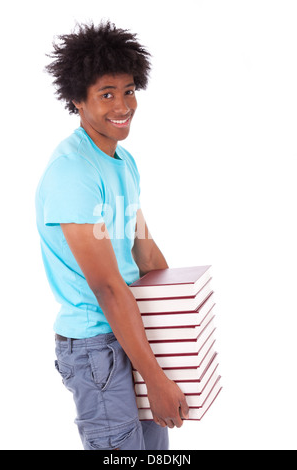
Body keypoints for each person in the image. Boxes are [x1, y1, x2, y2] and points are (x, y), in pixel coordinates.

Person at [35, 20, 189, 451]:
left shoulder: (123, 162)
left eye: (128, 90)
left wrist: (177, 331)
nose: (122, 105)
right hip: (95, 344)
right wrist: (155, 376)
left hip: (132, 330)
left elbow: (146, 251)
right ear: (76, 101)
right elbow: (105, 285)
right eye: (106, 94)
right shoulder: (73, 171)